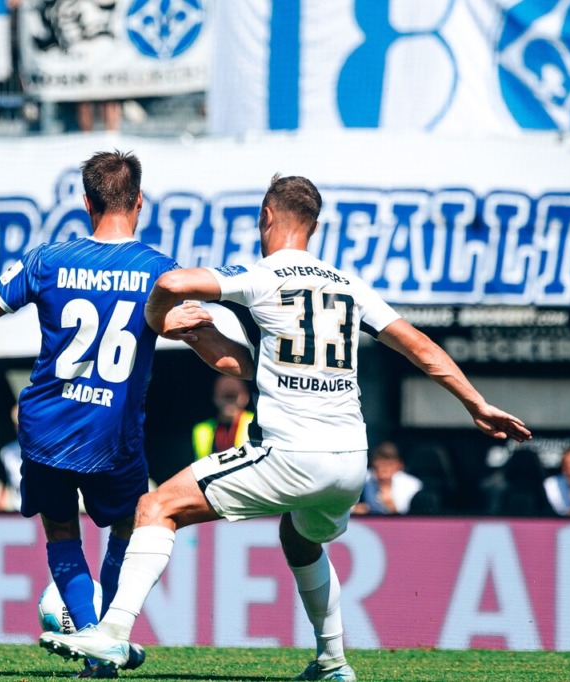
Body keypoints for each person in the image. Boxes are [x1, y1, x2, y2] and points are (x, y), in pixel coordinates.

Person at [39, 174, 532, 680]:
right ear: (314, 227)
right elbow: (421, 348)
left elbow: (171, 283)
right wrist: (477, 404)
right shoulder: (349, 286)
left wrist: (158, 319)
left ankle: (112, 633)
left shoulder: (260, 275)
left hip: (291, 454)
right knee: (300, 539)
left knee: (155, 507)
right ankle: (333, 661)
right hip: (350, 462)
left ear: (267, 217)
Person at [0, 150, 248, 678]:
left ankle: (95, 645)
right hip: (113, 433)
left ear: (86, 203)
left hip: (45, 428)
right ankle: (105, 642)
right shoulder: (161, 272)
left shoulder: (47, 259)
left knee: (61, 532)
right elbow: (215, 351)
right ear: (140, 201)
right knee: (130, 527)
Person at [191, 375, 254, 460]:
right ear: (214, 397)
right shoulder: (201, 430)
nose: (229, 402)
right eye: (225, 396)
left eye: (233, 396)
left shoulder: (256, 423)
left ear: (246, 397)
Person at [351, 441, 422, 515]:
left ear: (398, 465)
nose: (382, 473)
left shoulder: (412, 486)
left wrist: (390, 504)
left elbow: (409, 517)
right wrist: (356, 509)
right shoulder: (363, 480)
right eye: (378, 467)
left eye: (387, 467)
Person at [0, 404, 23, 512]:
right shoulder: (8, 452)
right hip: (19, 510)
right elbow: (2, 485)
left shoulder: (51, 449)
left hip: (47, 513)